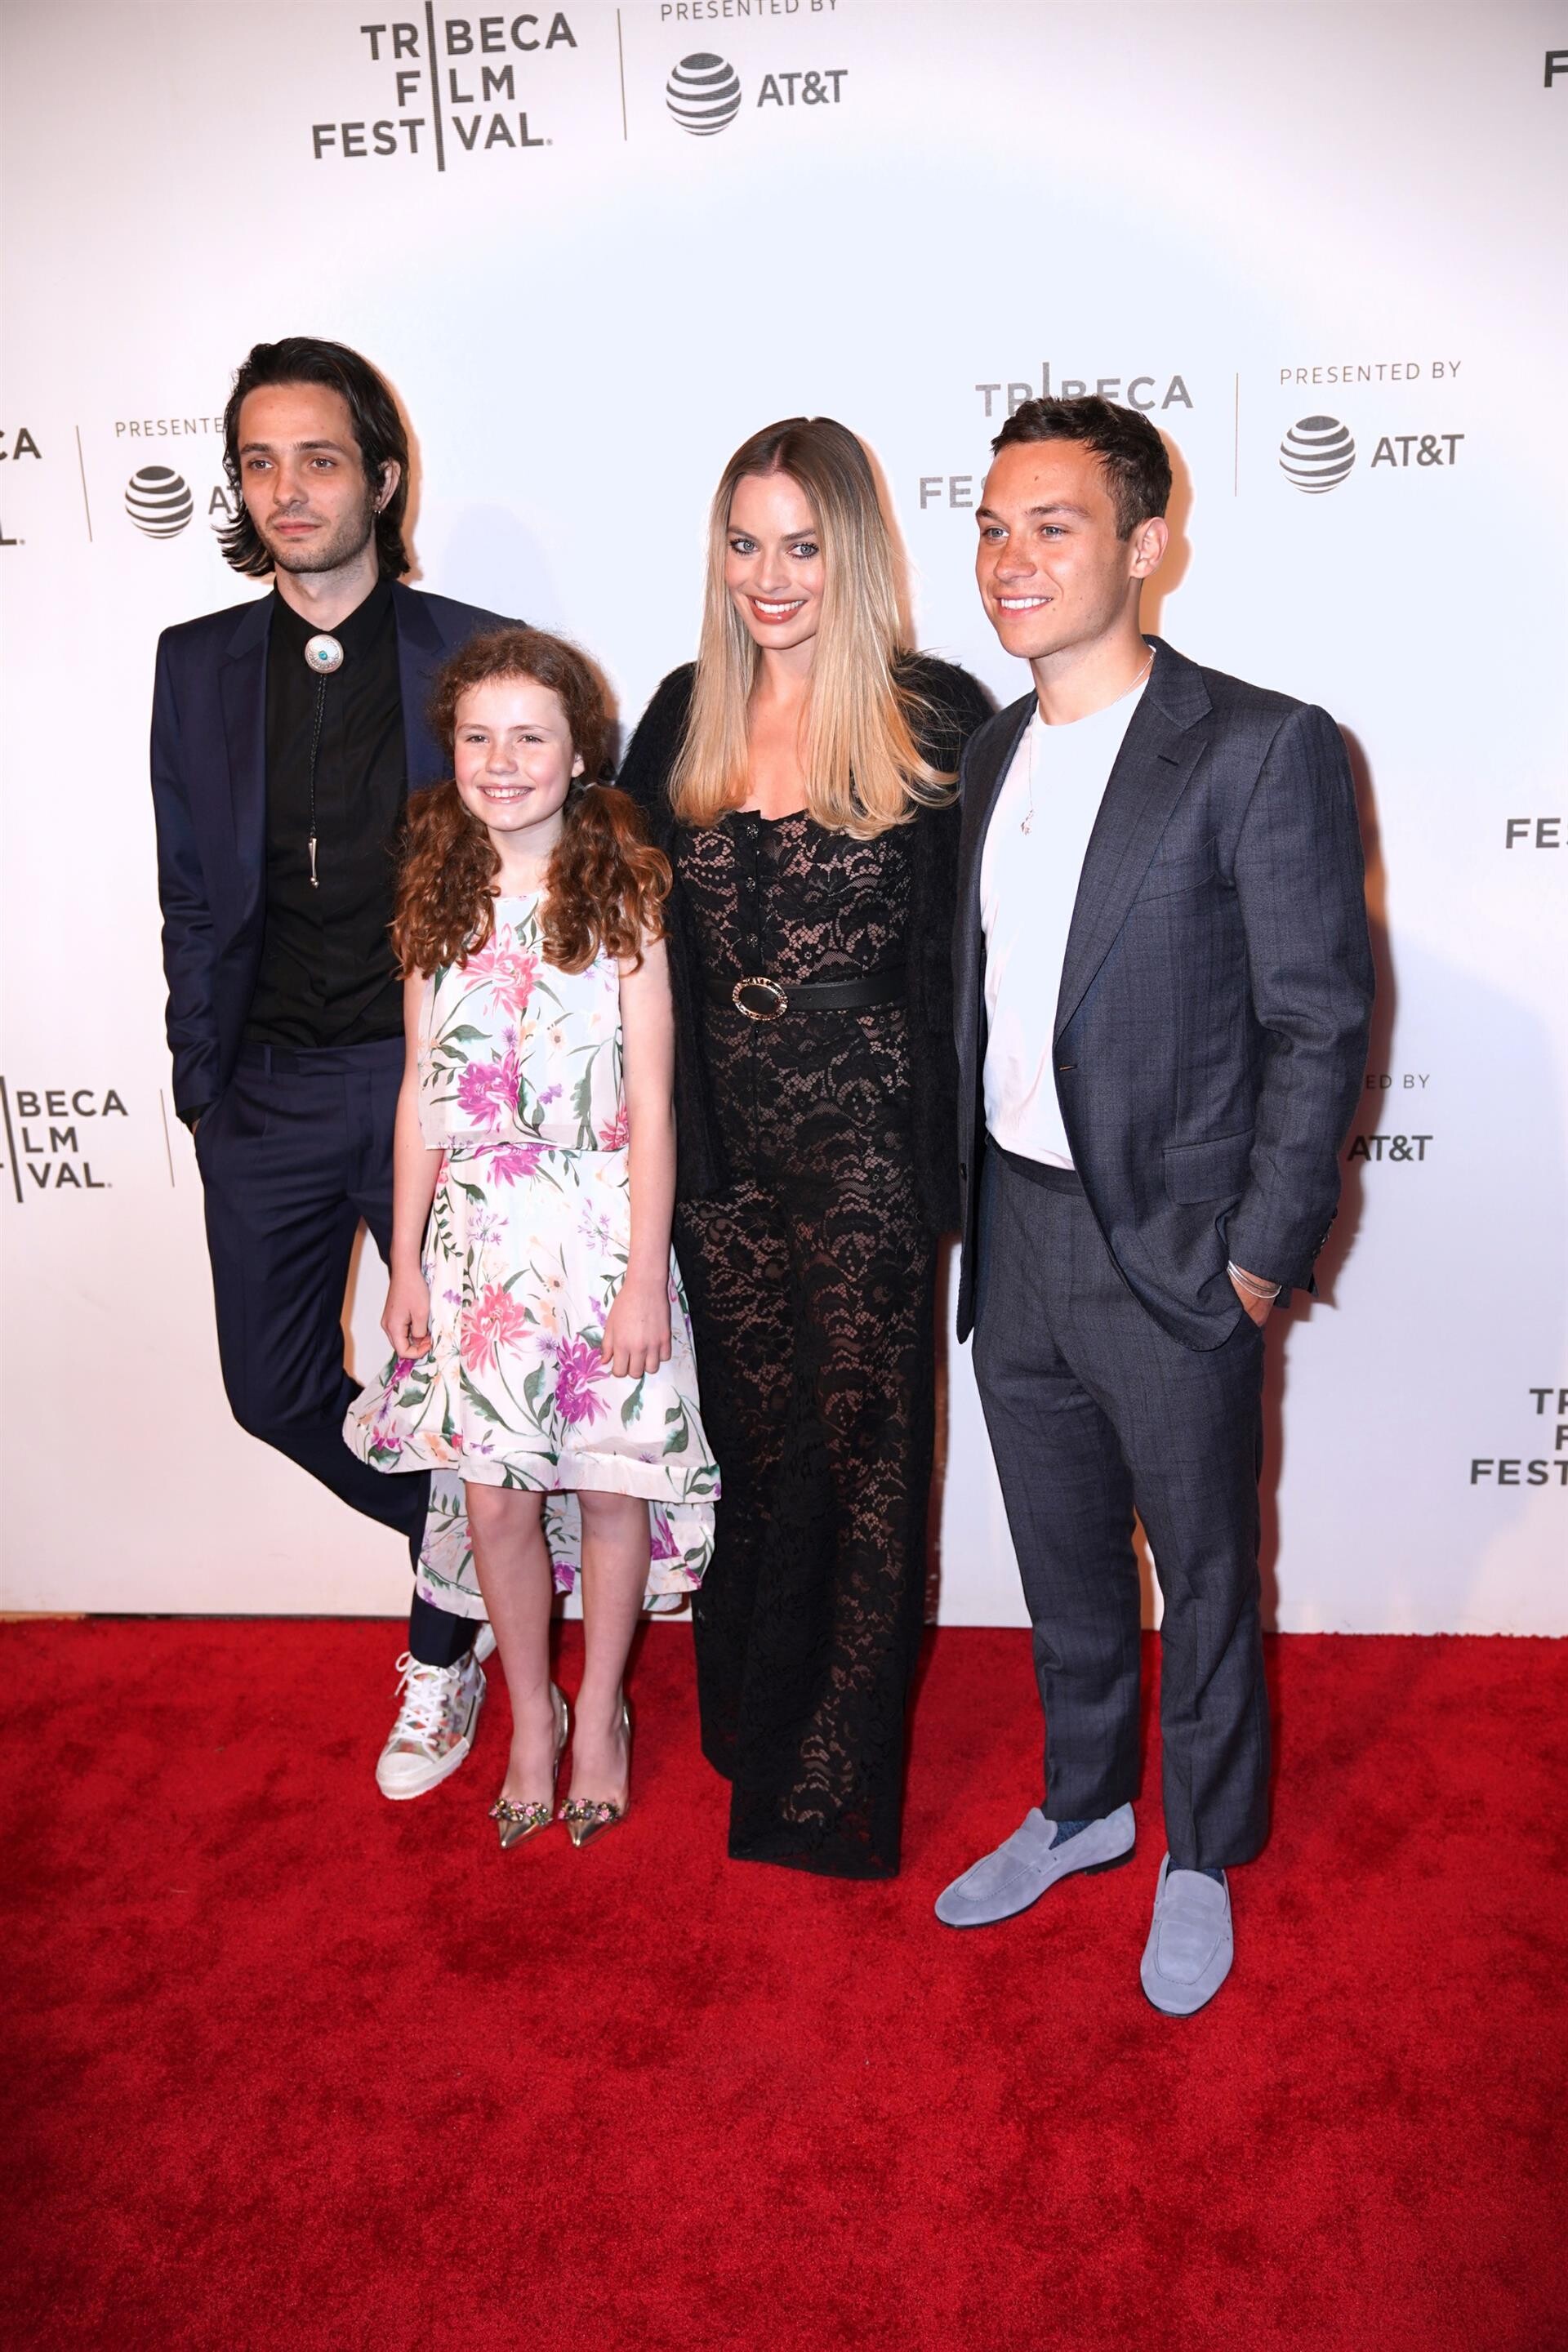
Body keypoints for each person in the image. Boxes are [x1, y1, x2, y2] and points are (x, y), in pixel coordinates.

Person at [936, 395, 1374, 2011]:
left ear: (1145, 545)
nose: (1011, 557)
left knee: (1204, 1574)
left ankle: (1202, 1850)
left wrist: (1260, 1256)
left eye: (1052, 526)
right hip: (1017, 1235)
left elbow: (1317, 1023)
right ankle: (1086, 1806)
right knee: (1061, 1561)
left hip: (1179, 1253)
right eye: (993, 526)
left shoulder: (1259, 746)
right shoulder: (991, 751)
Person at [617, 416, 991, 1879]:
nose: (769, 577)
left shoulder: (929, 718)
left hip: (869, 1146)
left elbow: (982, 952)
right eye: (744, 542)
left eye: (803, 546)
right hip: (721, 1146)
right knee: (757, 1445)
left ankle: (828, 1777)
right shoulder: (679, 716)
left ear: (857, 554)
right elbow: (623, 946)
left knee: (861, 1448)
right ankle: (753, 1720)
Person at [149, 336, 511, 1801]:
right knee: (274, 1388)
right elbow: (190, 888)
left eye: (317, 459)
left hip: (435, 1086)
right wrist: (204, 1084)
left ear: (382, 476)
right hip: (268, 1091)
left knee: (465, 1394)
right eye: (259, 462)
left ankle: (441, 1655)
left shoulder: (474, 654)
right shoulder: (194, 666)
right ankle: (482, 1545)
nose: (287, 489)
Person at [345, 629, 717, 1845]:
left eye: (529, 738)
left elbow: (652, 1101)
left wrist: (644, 1279)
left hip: (602, 1236)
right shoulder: (435, 890)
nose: (501, 764)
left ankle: (600, 1711)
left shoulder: (623, 893)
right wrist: (404, 1262)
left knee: (611, 1493)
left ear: (579, 753)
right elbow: (420, 1092)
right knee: (496, 1507)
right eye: (477, 737)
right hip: (478, 1248)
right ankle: (530, 1717)